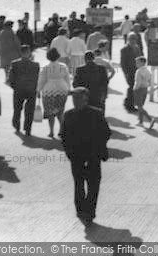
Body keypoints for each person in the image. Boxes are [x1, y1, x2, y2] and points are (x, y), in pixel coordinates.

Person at [59, 87, 111, 226]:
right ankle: (83, 210)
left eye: (77, 98)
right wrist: (68, 152)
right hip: (79, 156)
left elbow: (106, 133)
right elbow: (63, 135)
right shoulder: (69, 114)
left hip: (90, 155)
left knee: (91, 185)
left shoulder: (95, 114)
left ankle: (87, 211)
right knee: (80, 184)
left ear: (85, 99)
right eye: (73, 99)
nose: (75, 101)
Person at [37, 48, 70, 138]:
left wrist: (38, 90)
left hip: (48, 91)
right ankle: (61, 130)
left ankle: (51, 131)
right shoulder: (63, 66)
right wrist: (69, 89)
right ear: (58, 56)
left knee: (50, 113)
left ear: (48, 57)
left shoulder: (45, 67)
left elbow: (41, 80)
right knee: (60, 112)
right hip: (62, 89)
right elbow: (67, 79)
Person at [9, 45, 40, 136]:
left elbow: (11, 78)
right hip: (31, 89)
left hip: (18, 89)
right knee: (29, 110)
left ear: (21, 52)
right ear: (29, 52)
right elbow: (38, 77)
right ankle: (28, 129)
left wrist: (14, 86)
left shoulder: (14, 64)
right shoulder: (35, 64)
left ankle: (16, 125)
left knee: (17, 109)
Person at [133, 56, 156, 129]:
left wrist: (134, 89)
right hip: (145, 89)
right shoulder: (147, 70)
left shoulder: (138, 71)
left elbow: (138, 82)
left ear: (142, 63)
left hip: (139, 89)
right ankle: (140, 122)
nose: (136, 64)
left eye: (138, 62)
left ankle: (150, 119)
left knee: (139, 107)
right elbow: (150, 80)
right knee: (141, 106)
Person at [120, 34, 141, 113]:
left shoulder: (137, 48)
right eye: (132, 39)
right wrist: (126, 73)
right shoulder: (124, 49)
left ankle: (127, 102)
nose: (133, 40)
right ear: (128, 39)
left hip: (137, 71)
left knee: (134, 88)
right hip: (129, 71)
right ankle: (129, 105)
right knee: (131, 88)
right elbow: (123, 63)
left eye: (135, 39)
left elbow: (140, 58)